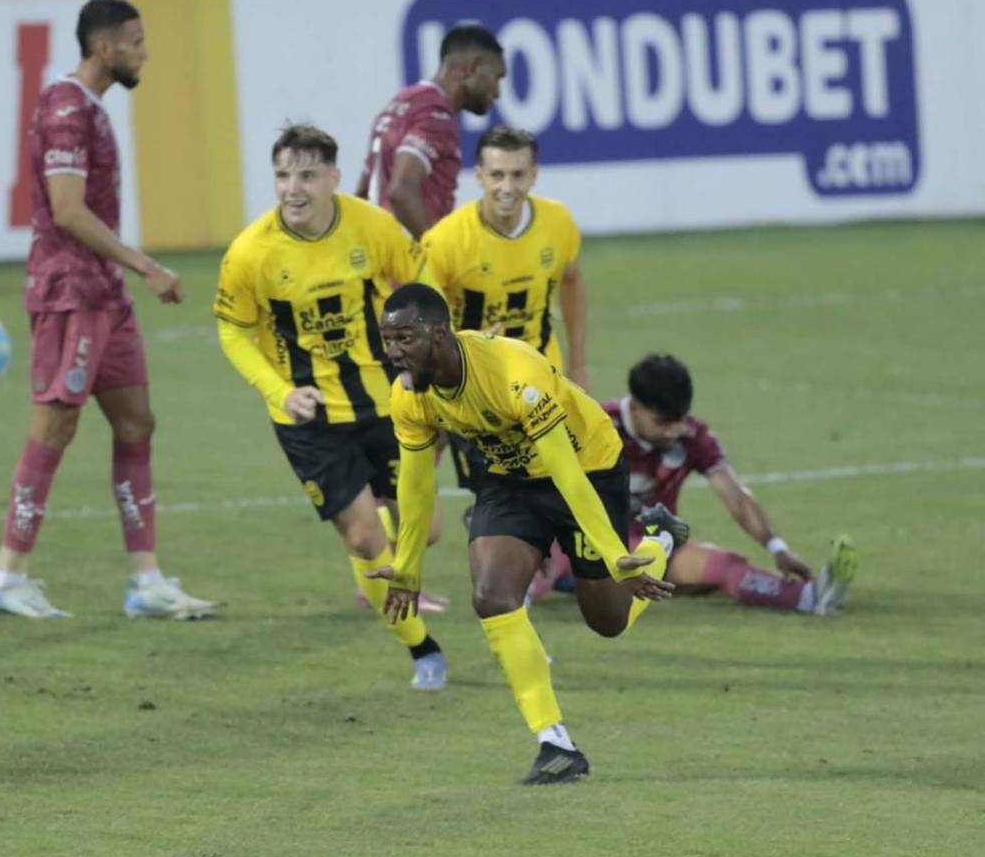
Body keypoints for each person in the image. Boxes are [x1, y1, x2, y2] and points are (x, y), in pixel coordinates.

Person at [372, 284, 690, 784]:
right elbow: (414, 481)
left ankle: (659, 541)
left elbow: (565, 471)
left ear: (439, 334)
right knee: (492, 596)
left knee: (608, 620)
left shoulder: (514, 371)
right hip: (508, 479)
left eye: (403, 338)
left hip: (587, 468)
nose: (392, 352)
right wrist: (407, 564)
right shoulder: (410, 396)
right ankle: (554, 742)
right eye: (386, 339)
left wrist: (611, 552)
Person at [0, 0, 219, 620]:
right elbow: (65, 209)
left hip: (103, 294)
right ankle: (8, 576)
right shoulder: (65, 109)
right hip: (69, 292)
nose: (145, 52)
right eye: (136, 42)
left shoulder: (90, 108)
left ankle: (146, 580)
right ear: (105, 46)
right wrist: (146, 265)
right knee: (54, 426)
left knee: (137, 422)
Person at [214, 124, 447, 691]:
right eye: (283, 175)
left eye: (307, 175)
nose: (293, 188)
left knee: (429, 529)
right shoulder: (251, 253)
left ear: (333, 178)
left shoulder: (372, 226)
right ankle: (423, 650)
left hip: (385, 401)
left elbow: (422, 279)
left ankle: (367, 556)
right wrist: (280, 393)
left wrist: (429, 347)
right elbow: (233, 331)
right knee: (367, 540)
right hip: (309, 419)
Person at [599, 353, 857, 614]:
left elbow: (736, 496)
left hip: (648, 547)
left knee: (723, 566)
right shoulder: (596, 426)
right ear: (634, 409)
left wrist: (778, 548)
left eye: (681, 419)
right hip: (586, 543)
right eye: (663, 423)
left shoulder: (693, 436)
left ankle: (809, 597)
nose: (674, 431)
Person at [418, 125, 588, 503]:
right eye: (496, 175)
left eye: (517, 174)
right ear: (478, 175)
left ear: (534, 174)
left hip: (543, 382)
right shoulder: (446, 241)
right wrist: (461, 351)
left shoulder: (558, 224)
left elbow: (573, 281)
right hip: (473, 392)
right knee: (502, 507)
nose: (507, 187)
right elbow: (421, 322)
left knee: (559, 496)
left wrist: (578, 363)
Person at [356, 24, 505, 239]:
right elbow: (401, 190)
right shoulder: (436, 116)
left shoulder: (400, 104)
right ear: (471, 68)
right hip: (409, 264)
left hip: (380, 258)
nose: (498, 92)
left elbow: (363, 193)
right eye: (496, 77)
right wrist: (436, 256)